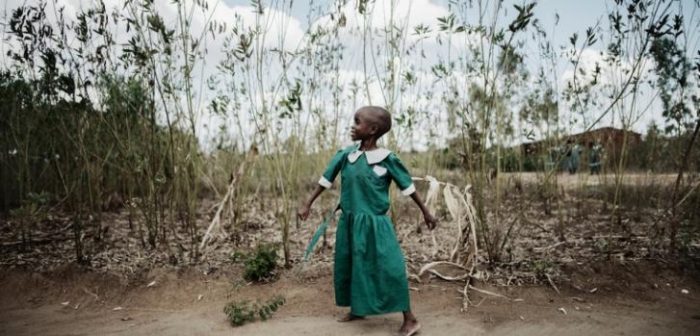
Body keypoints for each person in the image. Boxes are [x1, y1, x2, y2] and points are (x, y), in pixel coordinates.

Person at [298, 106, 437, 336]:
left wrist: (426, 212)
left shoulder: (387, 159)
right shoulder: (346, 155)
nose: (353, 126)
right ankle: (358, 308)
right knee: (351, 264)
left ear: (372, 129)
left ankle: (410, 319)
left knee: (390, 267)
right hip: (350, 223)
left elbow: (408, 187)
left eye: (357, 121)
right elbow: (326, 179)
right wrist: (308, 204)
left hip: (376, 225)